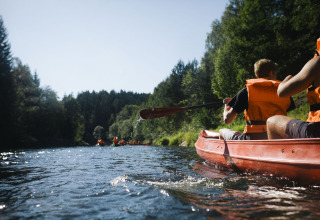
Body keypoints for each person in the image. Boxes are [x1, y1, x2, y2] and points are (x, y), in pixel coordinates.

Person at [219, 59, 295, 140]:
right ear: (271, 73)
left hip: (252, 138)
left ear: (256, 74)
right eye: (275, 73)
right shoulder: (284, 91)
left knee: (222, 131)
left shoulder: (247, 91)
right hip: (278, 137)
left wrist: (227, 105)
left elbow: (227, 119)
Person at [267, 43, 320, 139]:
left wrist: (286, 80)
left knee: (271, 121)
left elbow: (281, 92)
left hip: (317, 132)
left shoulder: (317, 63)